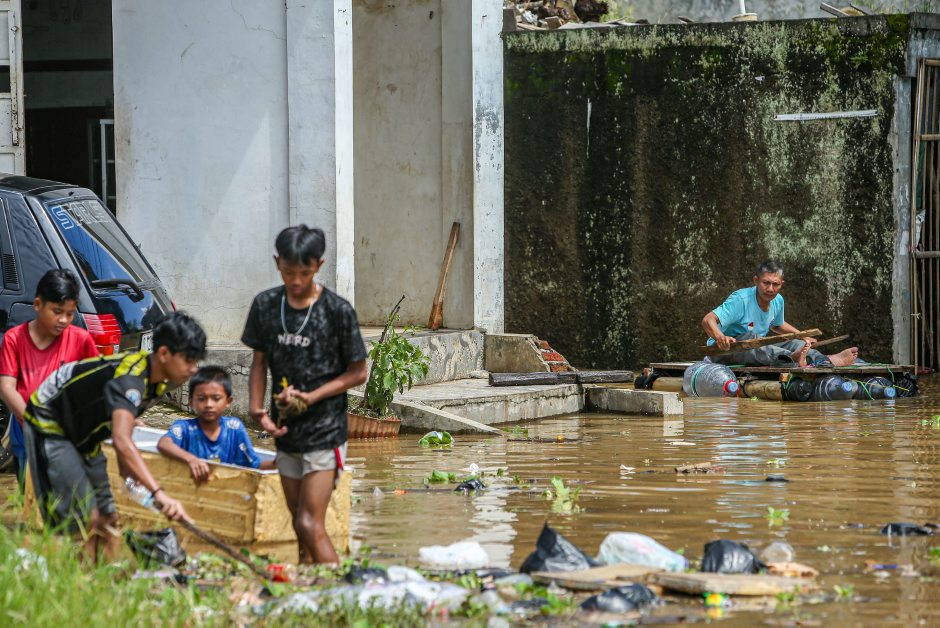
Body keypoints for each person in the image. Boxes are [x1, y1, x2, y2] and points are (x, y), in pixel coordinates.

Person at [22, 311, 204, 562]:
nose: (193, 369)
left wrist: (129, 473)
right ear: (164, 354)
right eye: (189, 360)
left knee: (107, 517)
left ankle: (100, 576)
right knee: (81, 519)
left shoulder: (157, 382)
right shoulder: (131, 379)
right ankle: (58, 575)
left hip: (86, 433)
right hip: (52, 422)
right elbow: (122, 440)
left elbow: (122, 432)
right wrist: (159, 493)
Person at [242, 225, 367, 565]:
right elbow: (259, 362)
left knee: (310, 522)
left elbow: (359, 372)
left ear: (318, 266)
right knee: (299, 523)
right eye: (288, 272)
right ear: (277, 263)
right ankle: (306, 586)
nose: (295, 280)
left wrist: (312, 397)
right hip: (286, 430)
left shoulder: (337, 311)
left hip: (325, 430)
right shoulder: (265, 305)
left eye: (304, 273)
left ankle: (341, 587)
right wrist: (257, 410)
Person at [0, 270, 99, 479]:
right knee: (30, 488)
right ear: (38, 304)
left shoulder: (81, 340)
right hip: (26, 430)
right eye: (57, 311)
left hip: (67, 434)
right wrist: (35, 422)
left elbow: (98, 383)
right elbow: (6, 387)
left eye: (70, 314)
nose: (63, 320)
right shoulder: (14, 339)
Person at [701, 260, 860, 367]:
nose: (770, 289)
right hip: (724, 351)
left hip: (757, 347)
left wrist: (801, 336)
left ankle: (824, 360)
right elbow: (708, 319)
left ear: (781, 284)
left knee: (797, 344)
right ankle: (793, 358)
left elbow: (777, 325)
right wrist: (720, 337)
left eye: (775, 284)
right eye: (766, 283)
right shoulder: (740, 300)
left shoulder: (778, 300)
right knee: (751, 339)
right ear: (756, 281)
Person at [157, 365, 275, 481]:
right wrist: (190, 459)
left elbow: (254, 465)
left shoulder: (234, 428)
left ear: (228, 401)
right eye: (202, 398)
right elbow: (164, 444)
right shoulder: (184, 428)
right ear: (191, 402)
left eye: (216, 398)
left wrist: (279, 462)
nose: (209, 404)